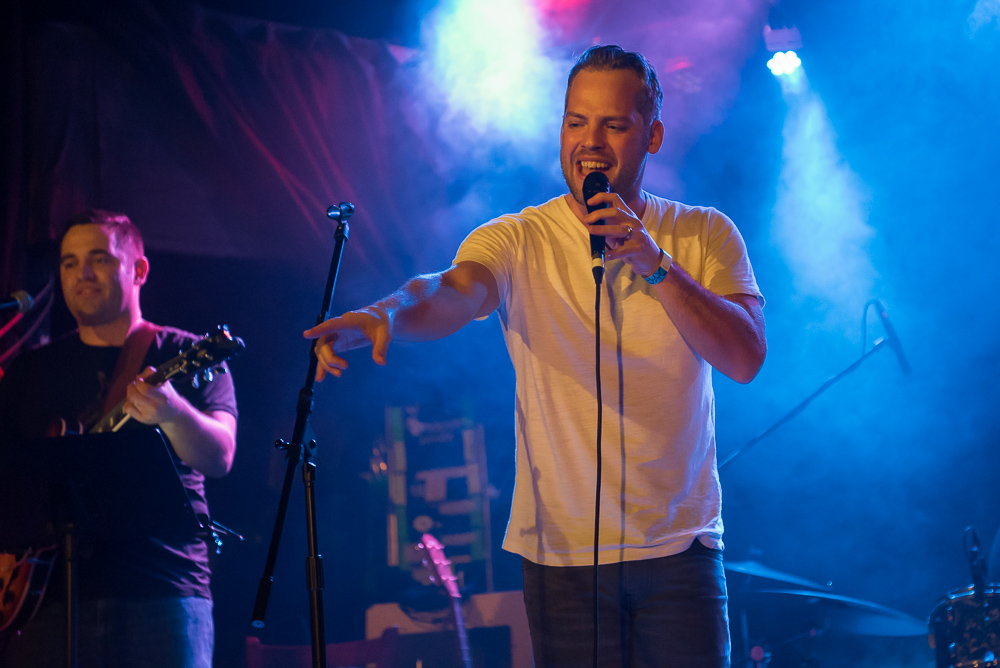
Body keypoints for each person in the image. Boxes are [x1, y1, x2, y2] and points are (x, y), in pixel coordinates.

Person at [305, 45, 765, 667]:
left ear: (652, 136)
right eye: (576, 122)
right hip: (563, 561)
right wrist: (383, 315)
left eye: (613, 124)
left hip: (679, 552)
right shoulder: (518, 238)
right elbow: (450, 291)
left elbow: (745, 357)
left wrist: (654, 263)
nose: (590, 142)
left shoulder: (704, 232)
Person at [0, 210, 237, 668]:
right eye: (69, 262)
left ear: (139, 270)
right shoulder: (30, 371)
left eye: (100, 259)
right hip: (45, 600)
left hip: (162, 592)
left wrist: (174, 413)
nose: (82, 273)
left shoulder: (186, 353)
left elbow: (220, 456)